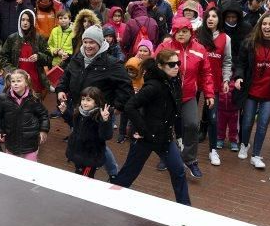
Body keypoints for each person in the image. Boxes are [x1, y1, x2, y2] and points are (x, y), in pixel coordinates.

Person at [57, 25, 133, 180]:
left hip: (99, 113)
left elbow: (126, 87)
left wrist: (117, 107)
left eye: (92, 42)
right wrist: (61, 89)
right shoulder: (77, 58)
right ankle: (83, 161)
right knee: (82, 137)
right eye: (85, 42)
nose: (88, 46)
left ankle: (110, 173)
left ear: (100, 43)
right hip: (79, 109)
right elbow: (65, 78)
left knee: (97, 143)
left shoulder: (111, 63)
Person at [116, 50, 190, 205]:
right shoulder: (153, 86)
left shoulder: (174, 82)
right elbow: (130, 106)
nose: (176, 67)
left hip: (165, 138)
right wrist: (143, 130)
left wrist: (179, 135)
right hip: (146, 138)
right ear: (160, 66)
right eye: (171, 64)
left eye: (178, 63)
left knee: (178, 171)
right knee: (128, 173)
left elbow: (175, 112)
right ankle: (110, 200)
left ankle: (186, 209)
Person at [155, 17, 215, 178]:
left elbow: (206, 73)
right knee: (166, 127)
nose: (181, 35)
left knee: (192, 125)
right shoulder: (166, 46)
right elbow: (154, 66)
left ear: (191, 32)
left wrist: (209, 93)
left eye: (184, 31)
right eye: (177, 31)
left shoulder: (200, 49)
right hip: (167, 95)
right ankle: (167, 156)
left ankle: (189, 159)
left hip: (188, 96)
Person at [233, 13, 270, 169]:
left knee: (263, 124)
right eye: (264, 24)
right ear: (260, 26)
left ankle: (256, 154)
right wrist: (239, 77)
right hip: (251, 90)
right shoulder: (250, 43)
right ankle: (244, 144)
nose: (267, 27)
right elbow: (240, 63)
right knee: (247, 123)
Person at [194, 8, 232, 166]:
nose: (210, 19)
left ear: (219, 19)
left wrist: (226, 79)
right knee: (187, 115)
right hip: (195, 81)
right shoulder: (196, 34)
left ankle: (213, 150)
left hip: (214, 82)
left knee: (213, 117)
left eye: (214, 16)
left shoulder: (226, 38)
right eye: (208, 16)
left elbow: (227, 61)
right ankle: (184, 144)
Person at [0, 69, 50, 162]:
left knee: (30, 170)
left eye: (19, 81)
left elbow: (44, 115)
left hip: (30, 143)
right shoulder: (3, 98)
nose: (15, 83)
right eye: (13, 81)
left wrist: (43, 130)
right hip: (11, 143)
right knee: (12, 170)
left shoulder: (33, 98)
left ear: (26, 83)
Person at [59, 87, 113, 178]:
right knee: (79, 173)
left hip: (90, 157)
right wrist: (65, 112)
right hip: (77, 152)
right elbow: (73, 123)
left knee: (85, 178)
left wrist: (105, 121)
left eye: (88, 100)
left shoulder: (99, 116)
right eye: (83, 99)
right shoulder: (79, 112)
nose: (84, 102)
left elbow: (106, 135)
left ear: (96, 101)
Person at [0, 9, 51, 98]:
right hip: (17, 83)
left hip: (35, 83)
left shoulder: (39, 38)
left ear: (32, 22)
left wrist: (39, 56)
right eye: (23, 20)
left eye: (28, 20)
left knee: (35, 109)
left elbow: (49, 58)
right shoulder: (12, 38)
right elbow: (3, 57)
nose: (25, 23)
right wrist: (14, 71)